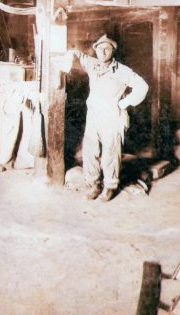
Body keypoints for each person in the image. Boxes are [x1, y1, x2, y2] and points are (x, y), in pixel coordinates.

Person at [63, 34, 149, 202]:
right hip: (94, 115)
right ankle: (94, 184)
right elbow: (79, 55)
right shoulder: (92, 64)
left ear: (112, 51)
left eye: (107, 48)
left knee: (110, 151)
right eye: (100, 48)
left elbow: (143, 86)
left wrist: (124, 104)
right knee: (90, 151)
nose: (103, 51)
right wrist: (70, 52)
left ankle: (110, 186)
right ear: (95, 50)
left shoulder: (122, 70)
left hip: (111, 117)